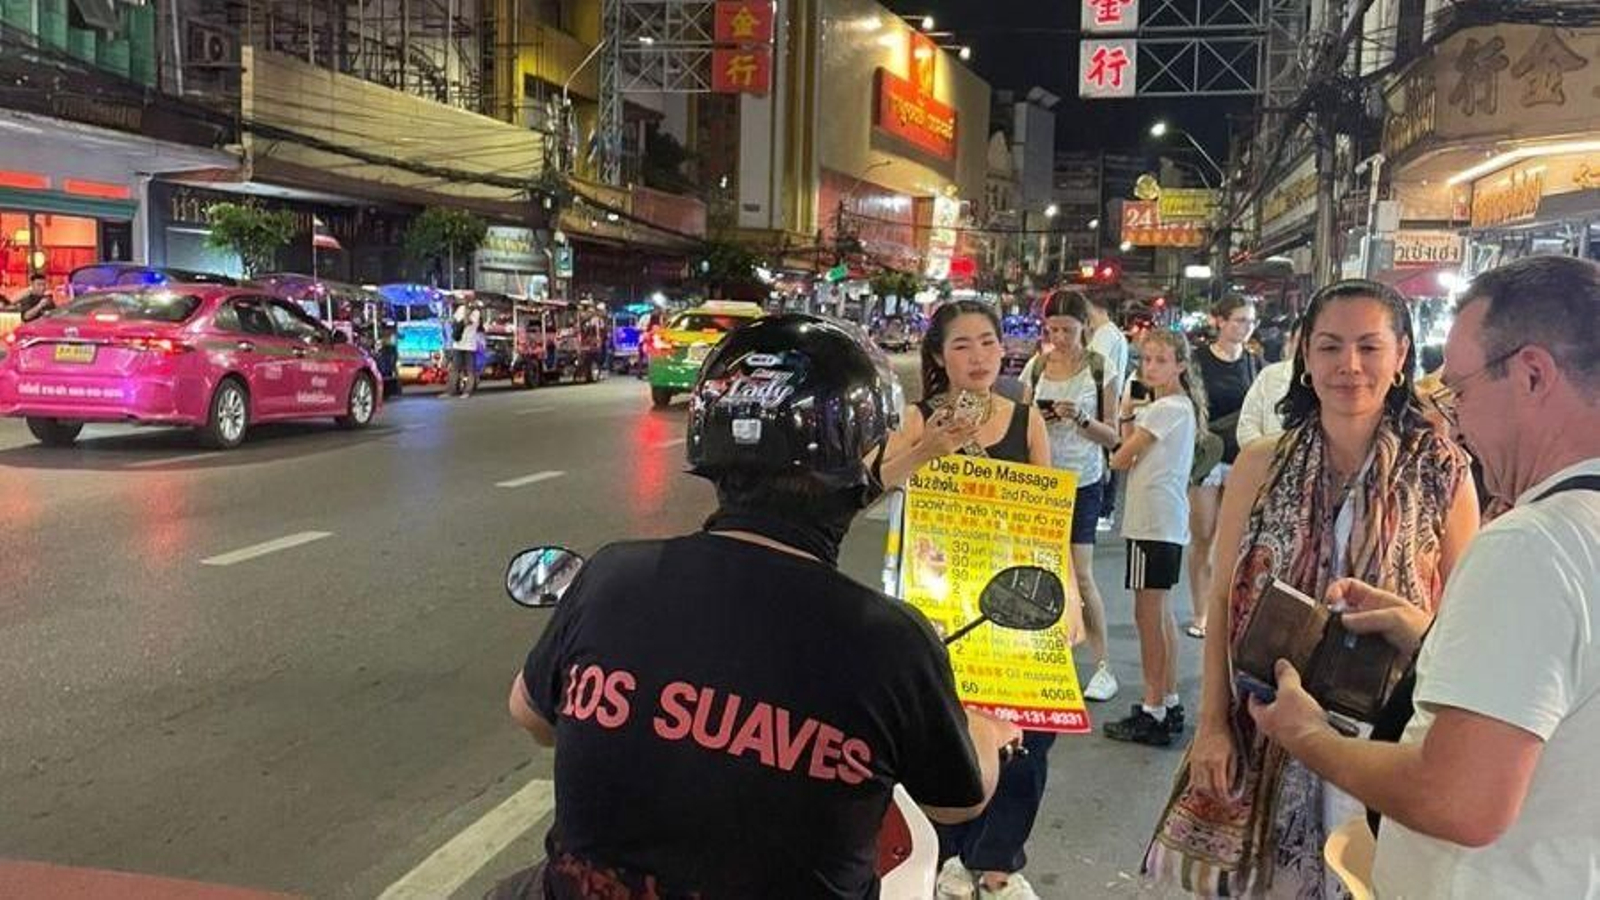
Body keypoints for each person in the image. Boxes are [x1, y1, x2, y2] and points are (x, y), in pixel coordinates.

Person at [497, 314, 1023, 899]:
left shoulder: (612, 574)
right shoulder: (891, 640)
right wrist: (988, 728)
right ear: (861, 463)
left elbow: (531, 714)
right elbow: (958, 801)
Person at [1248, 255, 1600, 898]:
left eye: (1461, 390)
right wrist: (1427, 637)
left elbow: (1459, 799)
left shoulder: (1532, 543)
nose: (1457, 419)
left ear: (1531, 375)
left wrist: (1305, 734)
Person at [1145, 280, 1479, 898]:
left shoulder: (1443, 469)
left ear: (1402, 355)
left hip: (1387, 737)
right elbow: (1222, 598)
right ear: (1305, 358)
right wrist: (1212, 724)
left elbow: (1463, 621)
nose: (1348, 366)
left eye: (1369, 347)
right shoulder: (1261, 462)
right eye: (1329, 347)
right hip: (1268, 724)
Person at [880, 300, 1068, 900]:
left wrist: (1071, 611)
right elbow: (875, 480)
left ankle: (996, 862)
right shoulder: (917, 419)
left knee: (1030, 735)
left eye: (988, 342)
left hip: (1020, 604)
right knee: (946, 734)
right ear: (938, 356)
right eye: (962, 345)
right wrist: (928, 449)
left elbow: (1049, 524)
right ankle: (943, 857)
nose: (979, 357)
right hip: (940, 608)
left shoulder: (1025, 419)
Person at [1100, 329, 1204, 747]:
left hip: (1152, 522)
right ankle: (1169, 700)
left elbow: (1122, 457)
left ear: (1180, 364)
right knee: (1158, 616)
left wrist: (1125, 413)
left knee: (1149, 617)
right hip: (1164, 520)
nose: (1152, 367)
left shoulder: (1165, 410)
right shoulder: (1178, 407)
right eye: (1146, 360)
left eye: (1161, 360)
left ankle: (1153, 708)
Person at [1021, 290, 1122, 703]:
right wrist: (1041, 415)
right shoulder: (1036, 365)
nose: (1059, 338)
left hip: (1083, 480)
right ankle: (1043, 658)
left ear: (1085, 326)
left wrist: (1080, 417)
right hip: (1042, 480)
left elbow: (1114, 435)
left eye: (1067, 329)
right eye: (1052, 330)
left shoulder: (1101, 368)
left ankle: (1103, 666)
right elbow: (1022, 422)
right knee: (1040, 572)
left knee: (1081, 574)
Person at [1185, 296, 1263, 639]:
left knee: (1233, 540)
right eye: (1239, 320)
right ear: (1219, 321)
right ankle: (1200, 611)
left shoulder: (1255, 363)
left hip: (1241, 459)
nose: (1245, 328)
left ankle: (1227, 609)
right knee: (1203, 536)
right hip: (1205, 458)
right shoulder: (1197, 361)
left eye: (1250, 322)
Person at [1086, 291, 1129, 530]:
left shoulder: (1104, 336)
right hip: (1110, 398)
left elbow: (1094, 370)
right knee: (1108, 452)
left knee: (1105, 454)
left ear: (1097, 309)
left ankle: (1104, 508)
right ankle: (1105, 508)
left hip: (1102, 400)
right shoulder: (1115, 334)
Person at [1236, 318, 1300, 448]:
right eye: (1301, 341)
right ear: (1291, 342)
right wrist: (1268, 456)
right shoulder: (1270, 375)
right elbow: (1247, 425)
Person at [448, 300, 482, 397]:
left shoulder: (476, 313)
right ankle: (451, 391)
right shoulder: (460, 309)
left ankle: (467, 391)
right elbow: (453, 320)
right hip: (458, 344)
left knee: (470, 370)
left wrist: (467, 313)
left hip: (469, 346)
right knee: (455, 369)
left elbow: (467, 322)